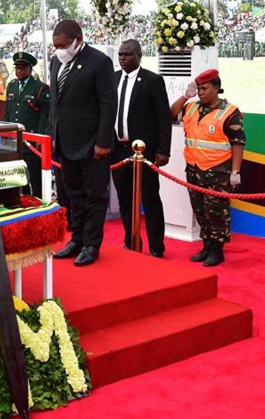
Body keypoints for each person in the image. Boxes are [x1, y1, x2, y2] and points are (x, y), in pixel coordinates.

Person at [49, 20, 117, 267]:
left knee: (95, 196)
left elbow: (108, 104)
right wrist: (53, 136)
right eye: (56, 46)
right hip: (65, 143)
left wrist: (103, 141)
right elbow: (55, 104)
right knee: (73, 195)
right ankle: (77, 239)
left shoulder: (99, 62)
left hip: (92, 144)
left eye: (64, 45)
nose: (60, 50)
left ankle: (91, 244)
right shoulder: (56, 61)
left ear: (78, 39)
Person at [169, 69, 245, 267]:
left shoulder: (229, 112)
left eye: (204, 88)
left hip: (218, 172)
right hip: (194, 169)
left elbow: (238, 143)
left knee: (216, 212)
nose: (200, 92)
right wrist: (185, 96)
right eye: (199, 89)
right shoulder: (191, 107)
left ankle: (217, 251)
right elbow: (171, 114)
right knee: (200, 210)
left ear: (216, 88)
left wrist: (235, 172)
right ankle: (207, 246)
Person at [112, 39, 172, 258]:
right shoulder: (113, 78)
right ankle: (131, 241)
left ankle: (156, 247)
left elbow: (163, 117)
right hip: (118, 151)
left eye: (127, 54)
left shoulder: (152, 80)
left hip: (144, 152)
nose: (122, 58)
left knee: (150, 199)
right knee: (125, 199)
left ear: (139, 55)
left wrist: (163, 149)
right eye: (120, 54)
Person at [4, 52, 50, 197]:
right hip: (15, 140)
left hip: (31, 140)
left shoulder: (40, 88)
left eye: (23, 68)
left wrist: (40, 137)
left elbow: (45, 115)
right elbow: (8, 111)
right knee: (19, 176)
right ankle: (24, 200)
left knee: (35, 176)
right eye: (17, 68)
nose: (19, 71)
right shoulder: (12, 86)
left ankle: (38, 201)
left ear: (30, 69)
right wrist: (6, 134)